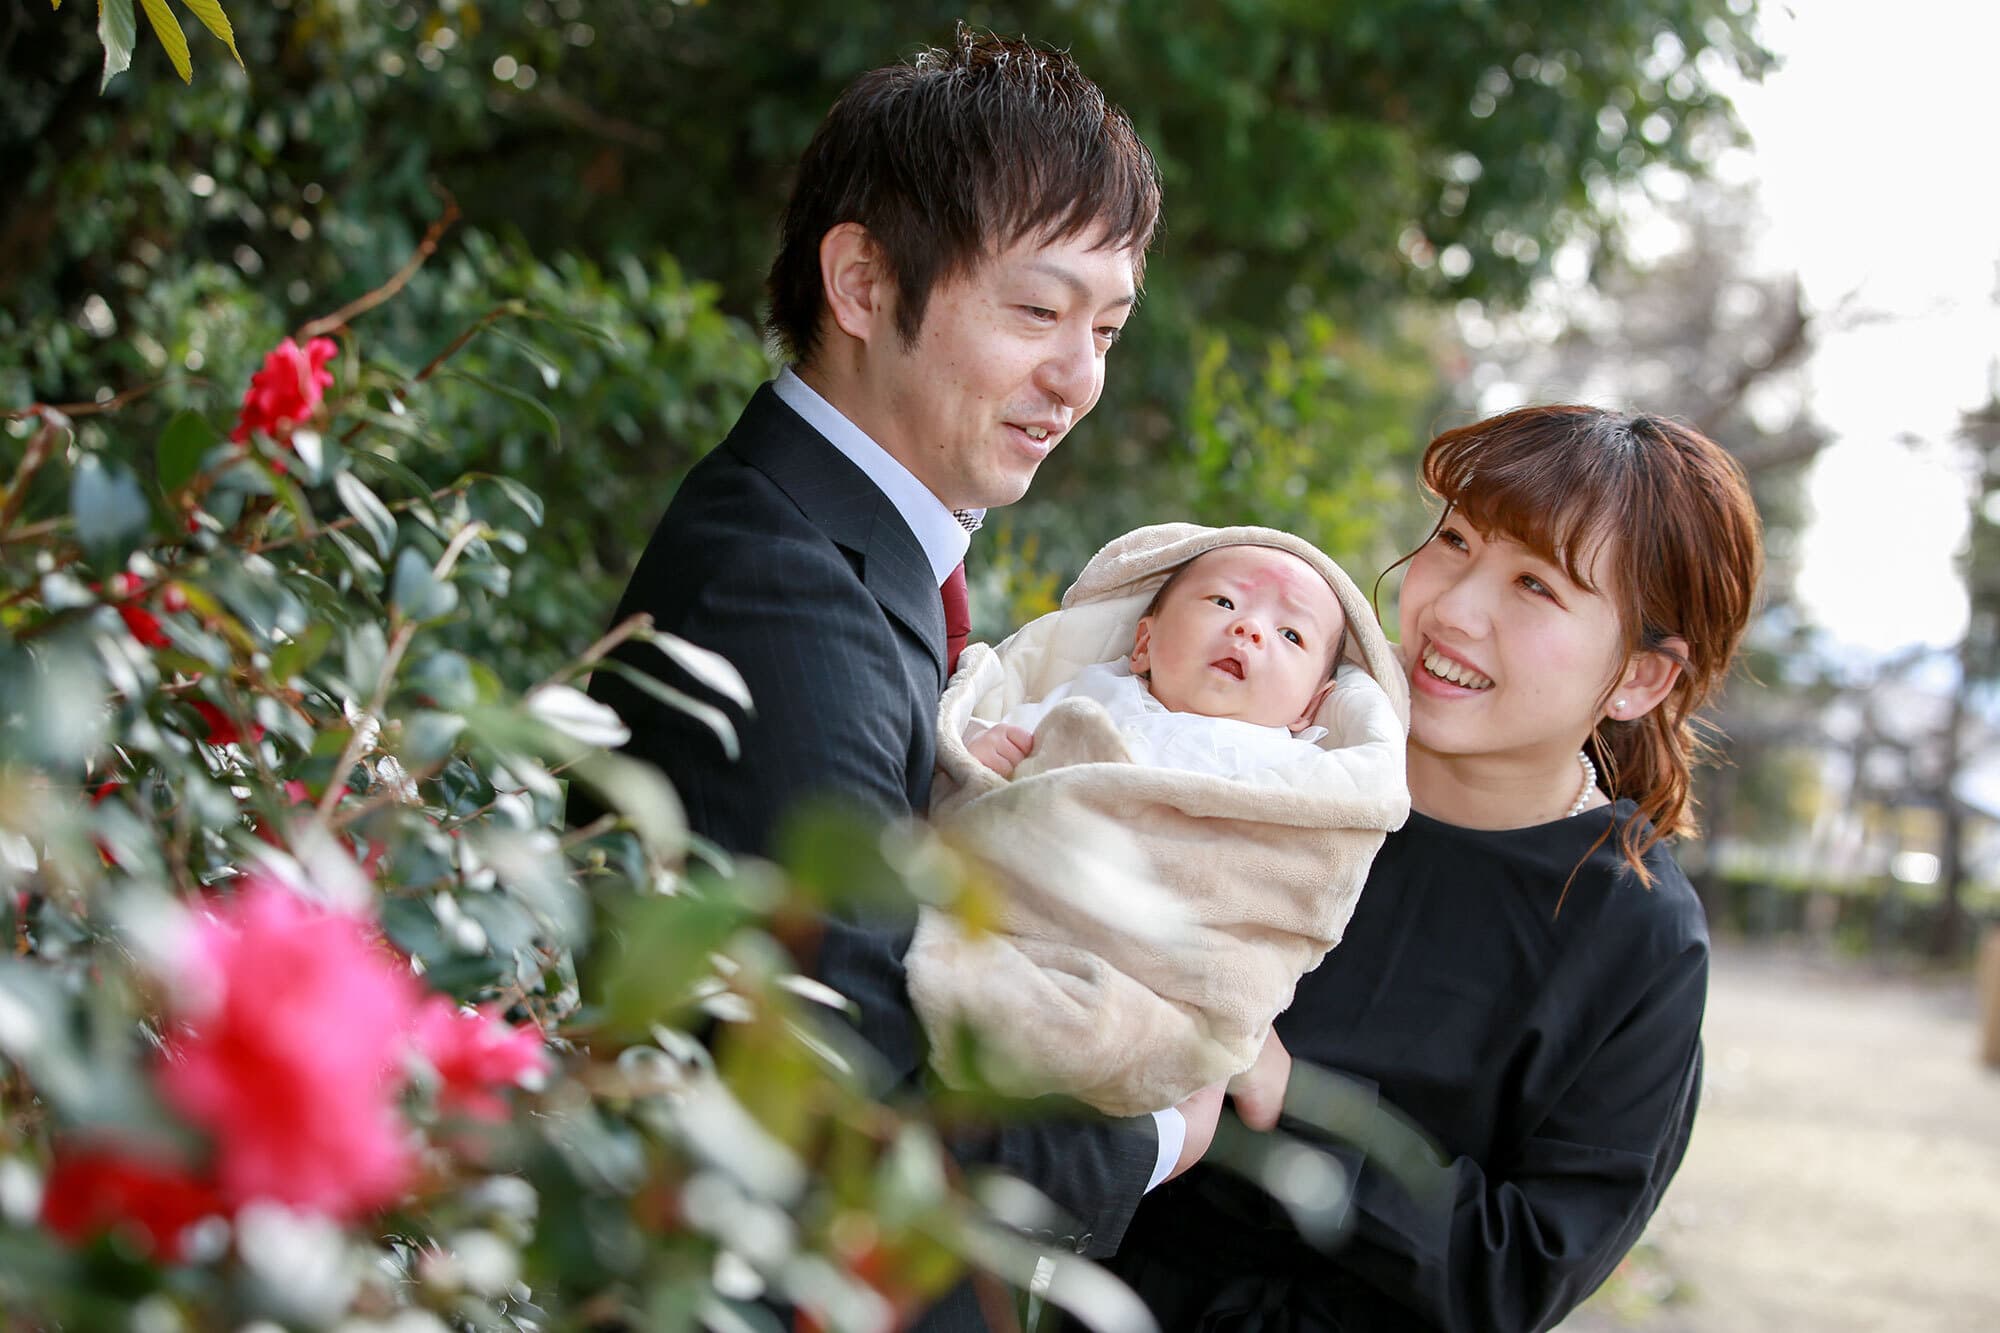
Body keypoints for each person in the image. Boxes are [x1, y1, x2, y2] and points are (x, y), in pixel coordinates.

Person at [577, 28, 1207, 1327]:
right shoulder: (783, 592)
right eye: (1037, 311)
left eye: (1107, 325)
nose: (1078, 378)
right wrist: (1158, 1123)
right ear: (862, 283)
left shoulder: (850, 552)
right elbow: (834, 1117)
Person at [1095, 406, 1765, 1332]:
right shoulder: (1272, 748)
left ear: (1640, 678)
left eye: (1535, 584)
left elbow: (1524, 1269)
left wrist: (1294, 1100)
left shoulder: (1634, 932)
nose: (1452, 606)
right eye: (1454, 540)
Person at [905, 524, 1409, 1120]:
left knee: (1098, 1030)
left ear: (1308, 709)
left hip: (1153, 968)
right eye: (1224, 602)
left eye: (1290, 634)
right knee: (915, 926)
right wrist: (979, 744)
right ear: (1143, 643)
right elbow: (991, 753)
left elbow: (1280, 879)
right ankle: (932, 991)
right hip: (1012, 903)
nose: (1248, 629)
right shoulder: (1092, 691)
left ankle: (974, 1019)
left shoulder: (1295, 772)